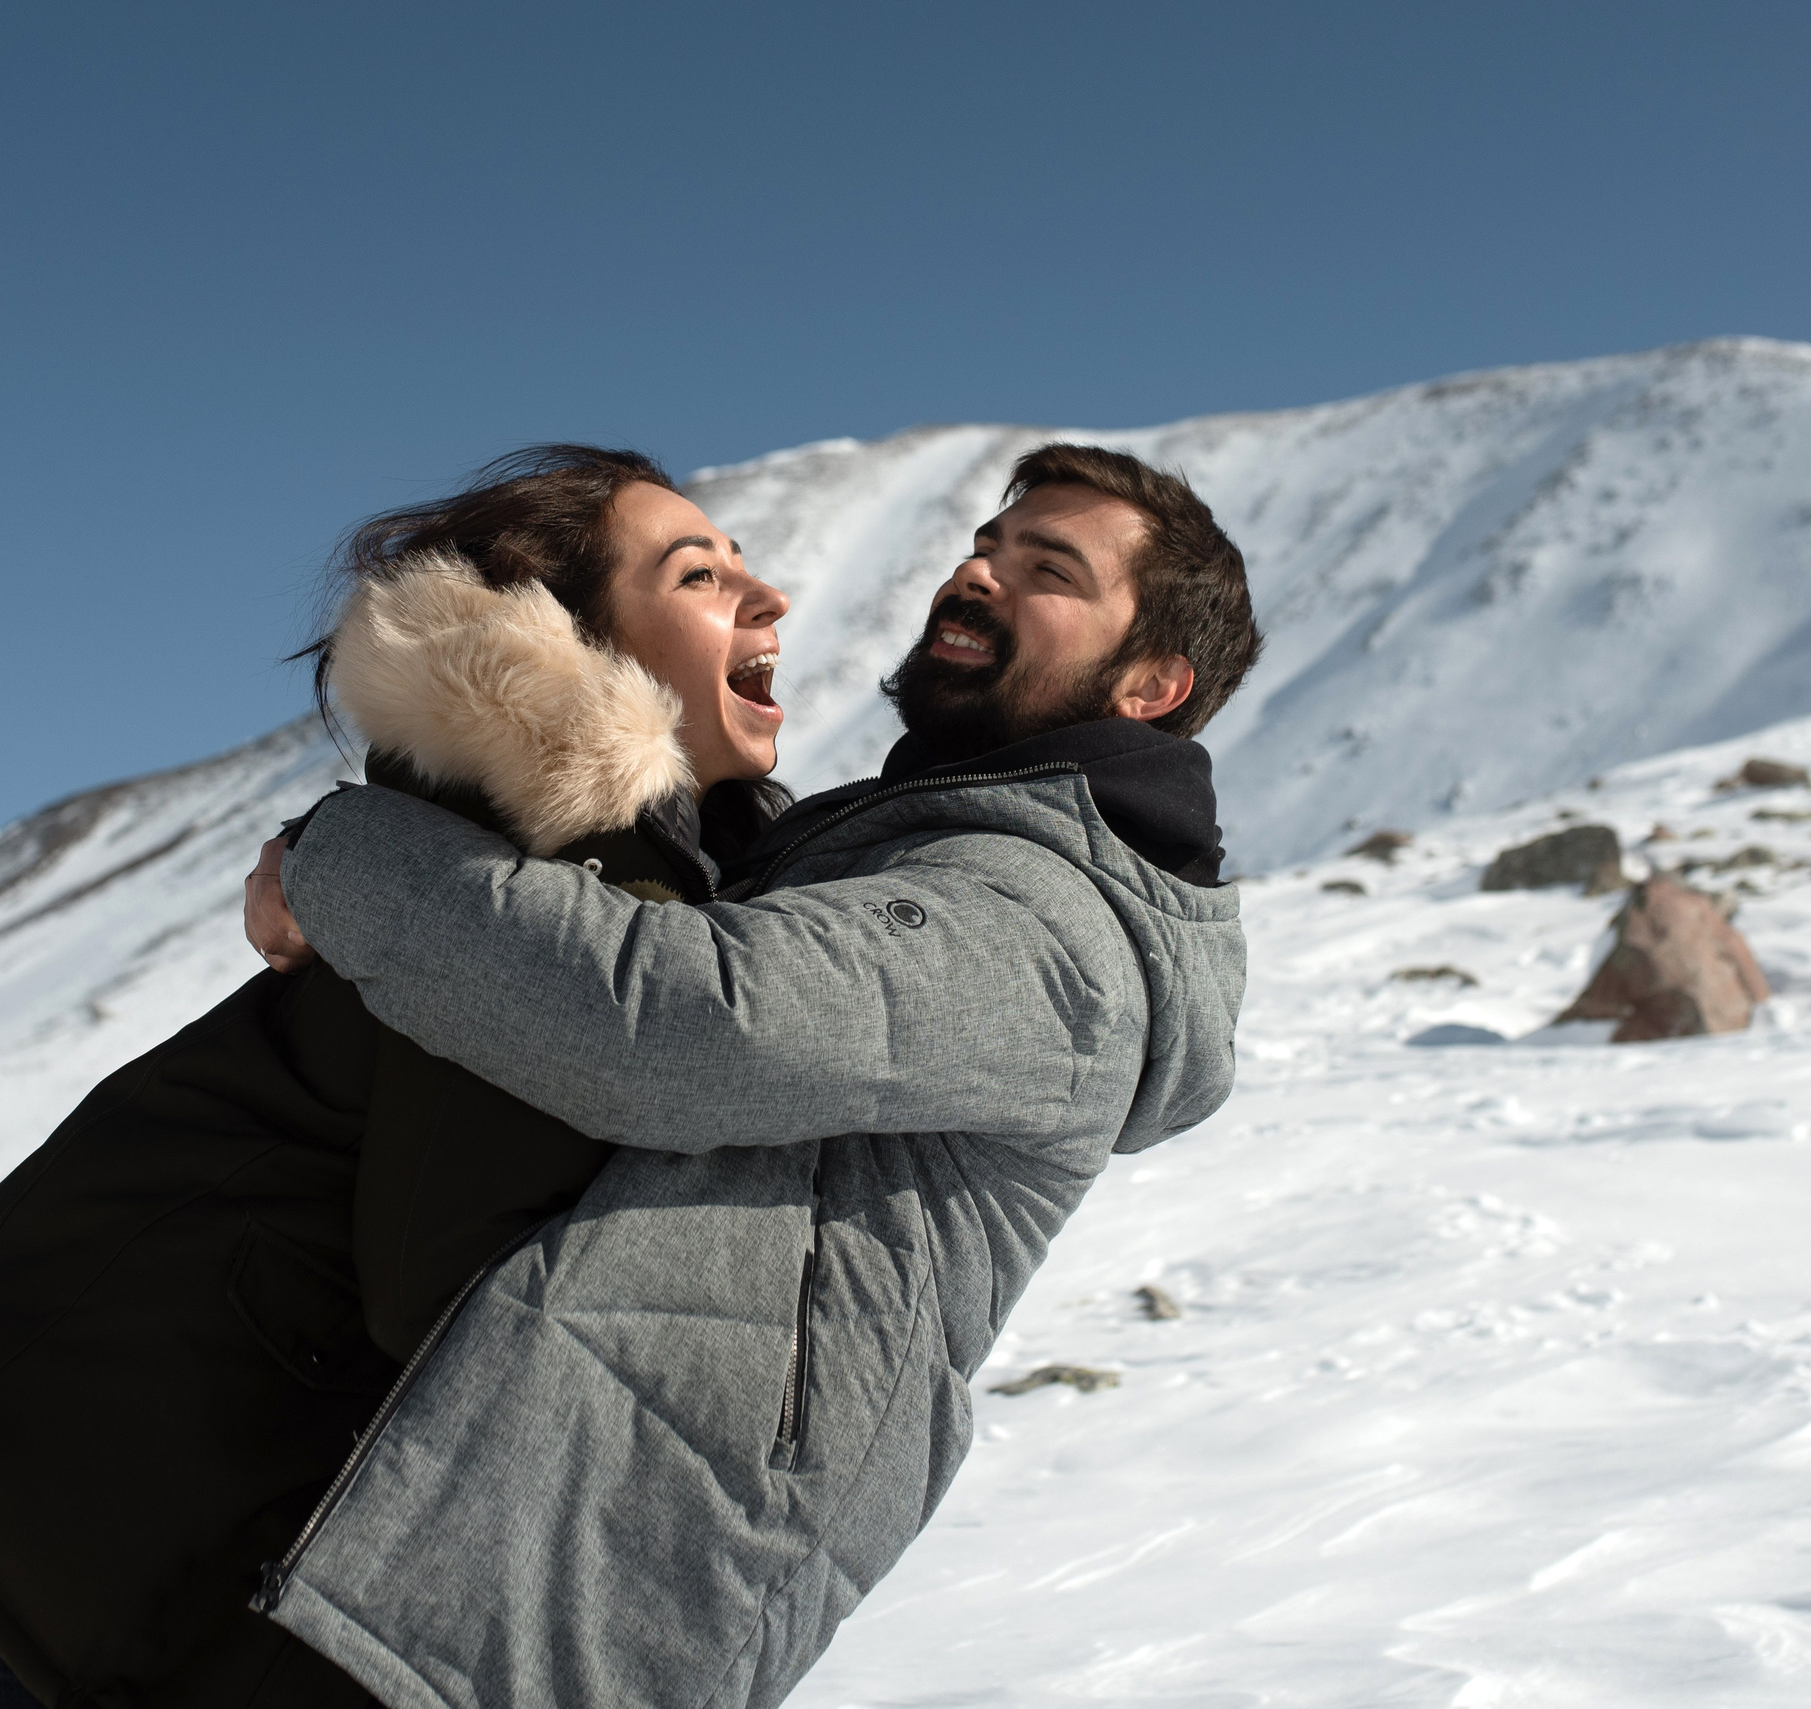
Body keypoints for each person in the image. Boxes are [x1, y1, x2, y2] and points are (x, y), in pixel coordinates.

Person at [0, 446, 796, 1708]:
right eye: (697, 575)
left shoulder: (430, 853)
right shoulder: (563, 909)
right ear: (572, 640)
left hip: (12, 1397)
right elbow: (454, 1286)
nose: (768, 595)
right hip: (108, 1498)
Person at [242, 442, 1261, 1708]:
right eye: (988, 544)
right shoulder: (909, 850)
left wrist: (340, 860)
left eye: (1046, 569)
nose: (976, 574)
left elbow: (683, 1024)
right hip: (498, 1531)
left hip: (575, 1583)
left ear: (1155, 682)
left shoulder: (1047, 929)